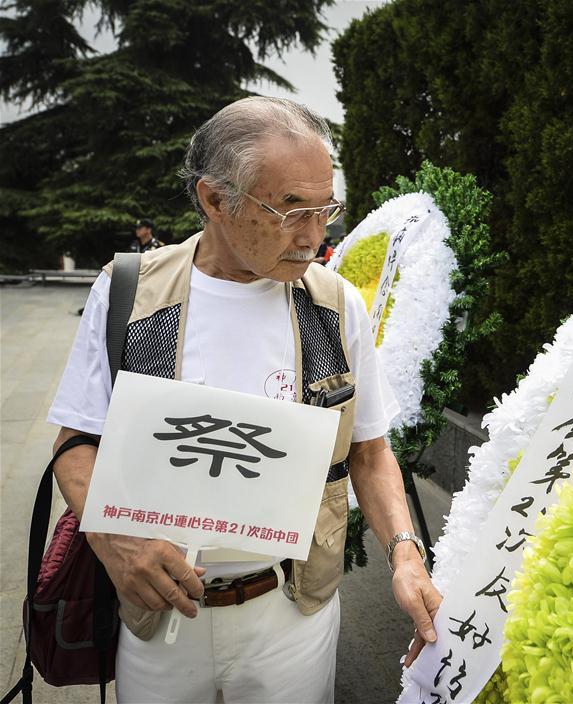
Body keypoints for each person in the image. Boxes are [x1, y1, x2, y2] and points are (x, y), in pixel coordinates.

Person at [47, 97, 441, 703]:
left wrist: (406, 555)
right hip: (161, 622)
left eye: (324, 210)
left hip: (292, 612)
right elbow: (76, 444)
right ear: (213, 199)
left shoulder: (335, 306)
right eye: (288, 210)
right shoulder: (133, 292)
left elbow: (368, 449)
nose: (314, 237)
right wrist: (118, 545)